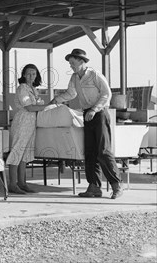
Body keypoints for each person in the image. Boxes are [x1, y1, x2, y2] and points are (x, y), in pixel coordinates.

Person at [49, 48, 123, 199]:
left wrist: (95, 109)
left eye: (73, 63)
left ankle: (116, 186)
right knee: (90, 152)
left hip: (100, 113)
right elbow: (71, 93)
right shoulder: (75, 78)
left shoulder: (94, 75)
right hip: (87, 114)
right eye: (70, 63)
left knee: (103, 151)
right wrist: (56, 100)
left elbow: (106, 93)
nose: (71, 66)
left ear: (82, 61)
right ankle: (94, 186)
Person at [6, 64, 48, 194]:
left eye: (34, 74)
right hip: (22, 121)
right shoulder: (22, 88)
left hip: (31, 123)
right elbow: (29, 107)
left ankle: (22, 183)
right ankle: (12, 184)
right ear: (24, 75)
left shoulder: (34, 89)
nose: (31, 76)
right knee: (17, 151)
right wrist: (47, 106)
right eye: (29, 74)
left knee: (25, 153)